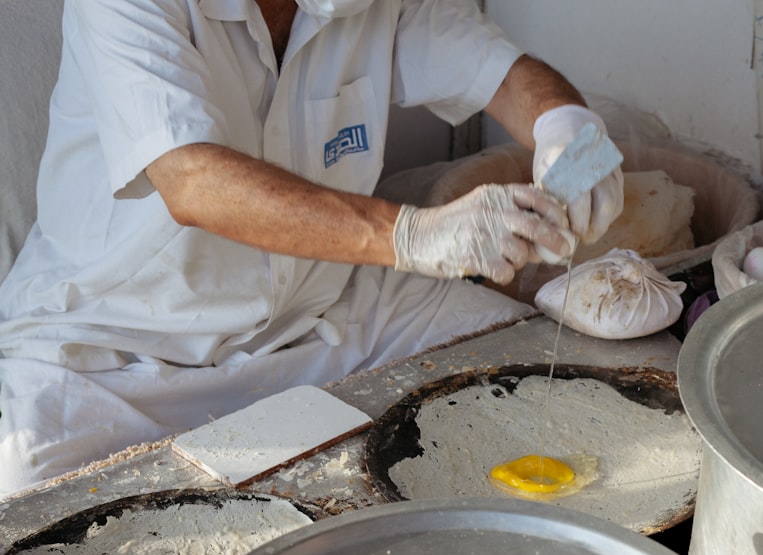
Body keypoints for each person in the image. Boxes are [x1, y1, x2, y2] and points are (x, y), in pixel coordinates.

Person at [0, 0, 624, 499]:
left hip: (322, 313)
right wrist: (414, 235)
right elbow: (192, 180)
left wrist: (569, 128)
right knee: (25, 502)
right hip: (110, 355)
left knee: (537, 369)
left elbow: (505, 74)